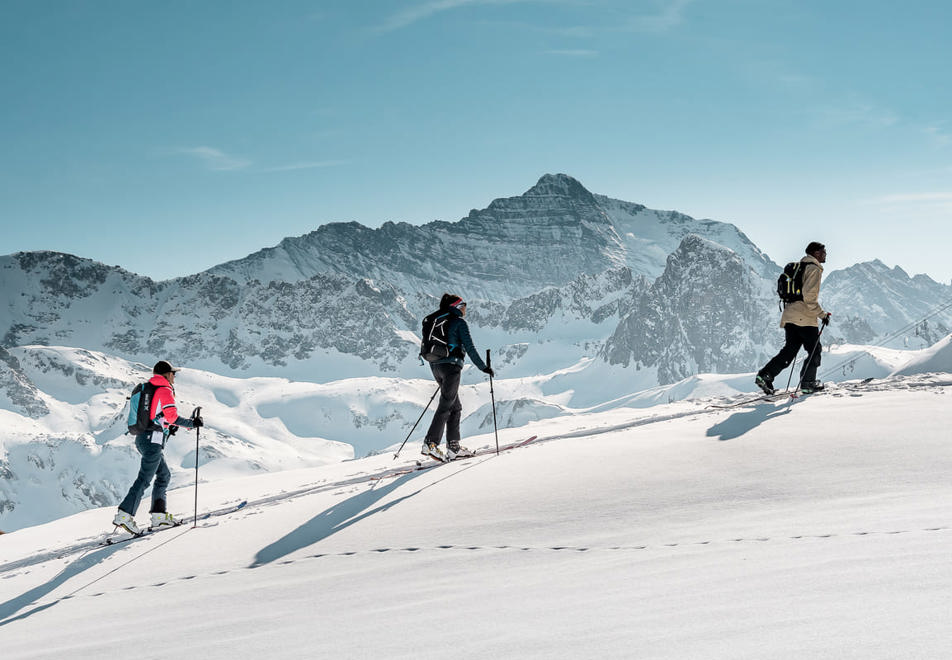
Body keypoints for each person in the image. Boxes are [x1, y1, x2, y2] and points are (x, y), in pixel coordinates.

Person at [113, 360, 203, 534]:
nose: (174, 377)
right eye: (173, 373)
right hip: (152, 441)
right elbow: (172, 417)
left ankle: (159, 516)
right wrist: (192, 423)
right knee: (145, 478)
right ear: (166, 375)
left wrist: (169, 428)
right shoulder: (164, 390)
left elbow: (160, 417)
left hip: (144, 439)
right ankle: (124, 515)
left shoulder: (151, 388)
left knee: (164, 475)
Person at [422, 294, 494, 462]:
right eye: (463, 304)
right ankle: (431, 443)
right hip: (451, 367)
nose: (465, 308)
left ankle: (453, 448)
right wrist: (483, 367)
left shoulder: (437, 321)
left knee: (455, 406)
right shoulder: (459, 323)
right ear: (455, 306)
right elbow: (470, 347)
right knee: (446, 405)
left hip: (435, 366)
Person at [756, 242, 832, 395]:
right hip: (805, 317)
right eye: (824, 251)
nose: (825, 254)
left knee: (789, 351)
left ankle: (765, 375)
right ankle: (808, 383)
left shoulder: (798, 267)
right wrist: (822, 315)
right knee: (814, 350)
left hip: (790, 315)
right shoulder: (814, 269)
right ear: (816, 253)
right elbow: (809, 297)